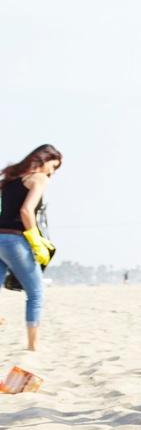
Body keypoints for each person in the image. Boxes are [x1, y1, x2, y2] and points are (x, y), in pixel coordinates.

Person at [0, 144, 62, 351]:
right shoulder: (39, 178)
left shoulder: (9, 180)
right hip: (16, 240)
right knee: (35, 293)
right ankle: (32, 347)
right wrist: (36, 240)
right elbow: (26, 211)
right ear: (44, 160)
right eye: (53, 166)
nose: (52, 173)